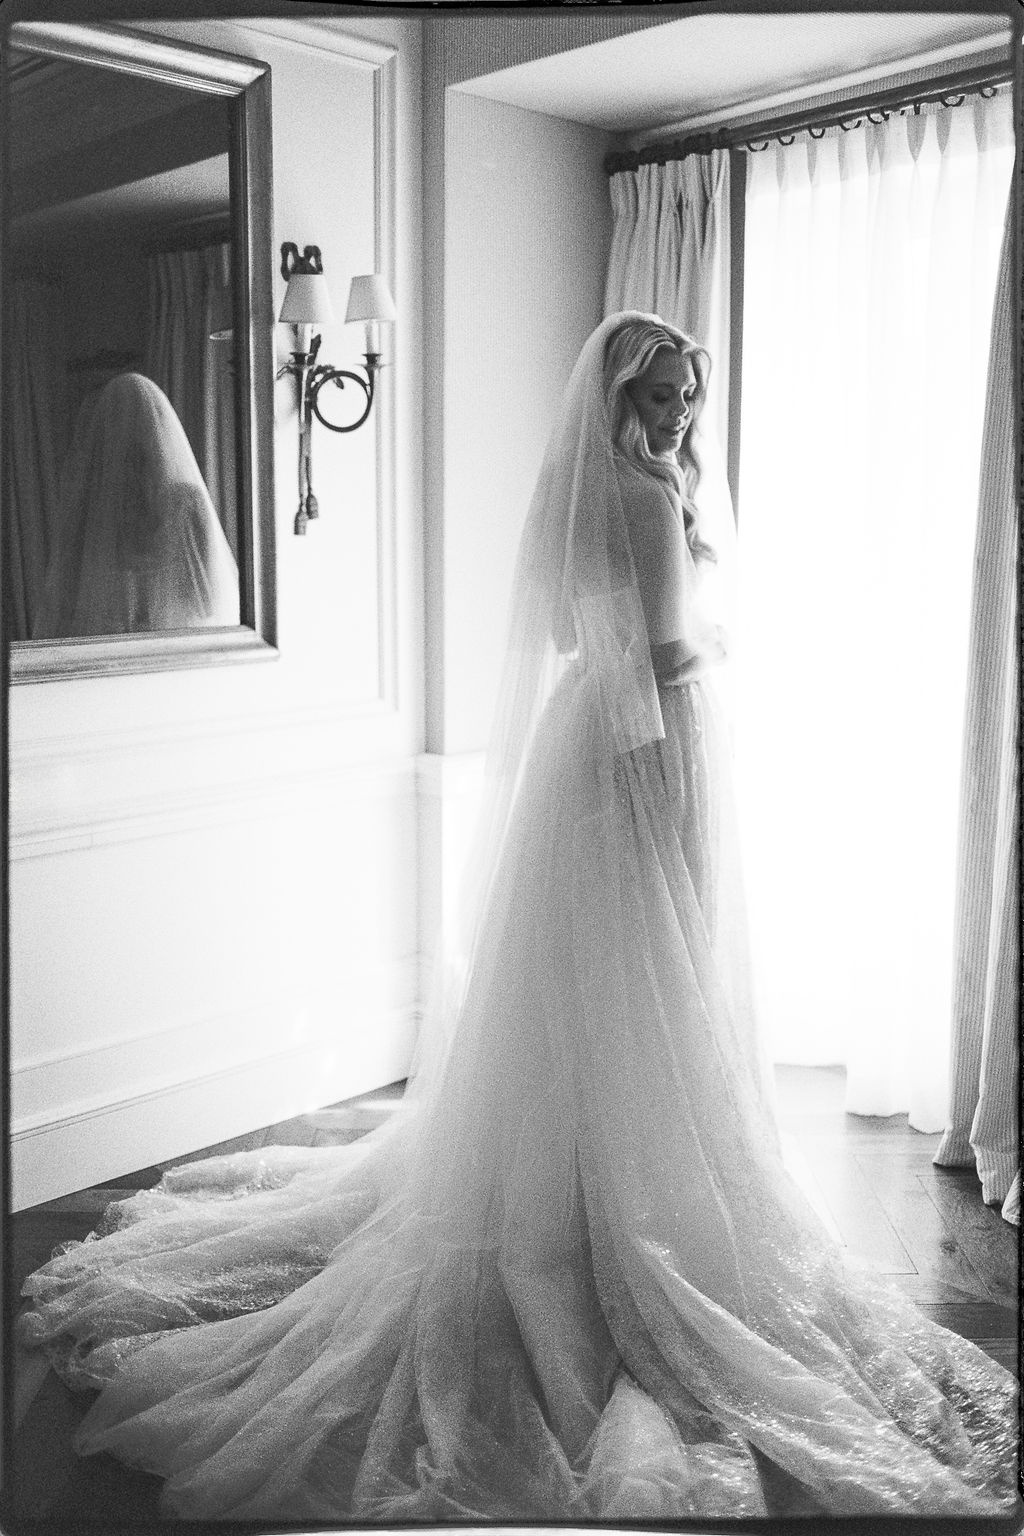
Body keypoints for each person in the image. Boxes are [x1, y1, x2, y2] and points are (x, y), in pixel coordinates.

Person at [16, 316, 1016, 1519]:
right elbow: (663, 654)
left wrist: (676, 645)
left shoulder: (597, 491)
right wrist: (702, 680)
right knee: (654, 973)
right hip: (648, 755)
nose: (681, 416)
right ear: (618, 398)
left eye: (691, 396)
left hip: (584, 746)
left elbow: (568, 635)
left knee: (585, 989)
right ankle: (617, 1212)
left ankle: (572, 1183)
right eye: (662, 397)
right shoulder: (646, 502)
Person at [30, 372, 240, 639]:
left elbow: (64, 606)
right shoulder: (186, 502)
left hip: (127, 657)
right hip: (168, 655)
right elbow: (210, 602)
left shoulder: (95, 509)